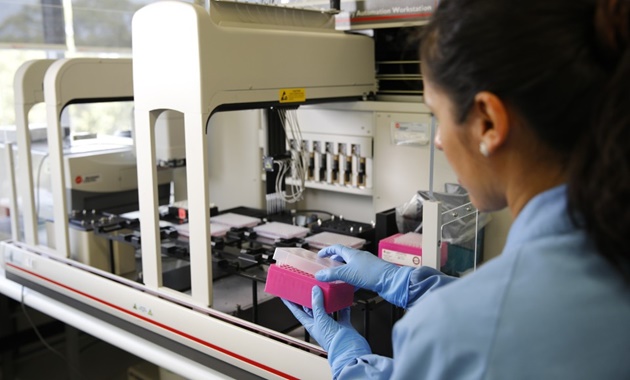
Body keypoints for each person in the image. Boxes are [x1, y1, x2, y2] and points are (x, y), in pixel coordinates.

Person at [282, 0, 630, 378]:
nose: (439, 141)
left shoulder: (452, 333)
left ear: (487, 122)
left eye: (437, 116)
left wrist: (348, 358)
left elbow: (482, 329)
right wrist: (400, 280)